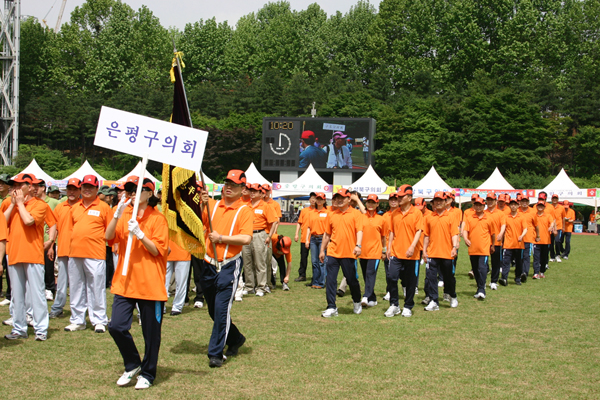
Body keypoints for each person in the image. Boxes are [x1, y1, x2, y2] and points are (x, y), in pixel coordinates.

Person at [106, 176, 168, 389]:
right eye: (129, 189)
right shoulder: (124, 215)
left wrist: (140, 234)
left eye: (138, 189)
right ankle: (133, 363)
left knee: (151, 334)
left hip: (150, 284)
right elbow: (108, 236)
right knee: (116, 326)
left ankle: (148, 373)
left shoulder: (158, 219)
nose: (132, 192)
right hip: (125, 281)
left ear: (149, 193)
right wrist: (116, 215)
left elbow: (157, 250)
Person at [199, 169, 252, 368]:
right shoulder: (212, 205)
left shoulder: (244, 210)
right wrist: (202, 202)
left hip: (229, 265)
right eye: (227, 183)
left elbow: (246, 238)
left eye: (234, 185)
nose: (229, 187)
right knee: (213, 311)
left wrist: (221, 238)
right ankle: (236, 338)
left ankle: (215, 353)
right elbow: (200, 222)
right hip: (208, 263)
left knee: (221, 311)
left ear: (242, 189)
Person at [3, 173, 48, 341]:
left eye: (19, 185)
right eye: (13, 185)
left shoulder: (39, 204)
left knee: (36, 294)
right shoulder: (9, 203)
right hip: (14, 253)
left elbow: (29, 221)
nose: (15, 188)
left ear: (30, 187)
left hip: (32, 255)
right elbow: (3, 222)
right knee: (17, 295)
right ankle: (18, 327)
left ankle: (41, 328)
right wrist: (13, 205)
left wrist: (20, 204)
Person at [65, 175, 111, 333]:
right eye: (84, 186)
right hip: (75, 253)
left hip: (95, 253)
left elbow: (111, 230)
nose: (87, 189)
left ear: (97, 189)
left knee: (96, 287)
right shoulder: (75, 207)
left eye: (90, 187)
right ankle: (77, 319)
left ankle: (99, 319)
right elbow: (72, 229)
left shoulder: (104, 207)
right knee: (76, 287)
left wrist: (115, 245)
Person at [319, 188, 363, 317]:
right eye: (337, 197)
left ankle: (356, 301)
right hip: (333, 252)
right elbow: (327, 234)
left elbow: (359, 230)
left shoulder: (356, 214)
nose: (339, 200)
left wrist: (358, 245)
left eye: (342, 198)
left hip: (349, 252)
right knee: (331, 280)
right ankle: (331, 306)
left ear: (349, 199)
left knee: (351, 279)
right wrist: (322, 250)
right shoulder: (332, 214)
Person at [385, 186, 422, 317]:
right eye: (398, 196)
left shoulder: (417, 213)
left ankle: (408, 306)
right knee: (391, 277)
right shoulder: (394, 213)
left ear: (410, 198)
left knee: (410, 281)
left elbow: (419, 231)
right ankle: (394, 304)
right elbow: (391, 232)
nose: (399, 198)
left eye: (402, 196)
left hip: (411, 254)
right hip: (396, 252)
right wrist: (388, 247)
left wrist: (412, 246)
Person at [49, 178, 81, 319]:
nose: (72, 192)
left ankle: (78, 309)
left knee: (78, 283)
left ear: (79, 190)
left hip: (79, 251)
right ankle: (57, 308)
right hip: (62, 249)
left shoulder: (83, 206)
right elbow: (53, 228)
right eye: (69, 189)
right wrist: (51, 245)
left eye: (75, 189)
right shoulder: (60, 207)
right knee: (61, 282)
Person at [422, 192, 459, 311]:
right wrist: (424, 250)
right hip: (432, 252)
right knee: (431, 277)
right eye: (436, 200)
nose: (438, 203)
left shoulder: (451, 216)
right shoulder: (429, 217)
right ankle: (434, 300)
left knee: (448, 277)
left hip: (447, 252)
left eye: (441, 200)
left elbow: (454, 233)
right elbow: (426, 235)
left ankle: (452, 295)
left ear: (446, 202)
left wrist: (454, 247)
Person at [241, 183, 277, 297]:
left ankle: (261, 287)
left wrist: (269, 236)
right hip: (247, 234)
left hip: (259, 234)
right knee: (247, 261)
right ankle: (249, 286)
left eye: (255, 191)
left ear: (261, 194)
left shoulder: (265, 206)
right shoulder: (246, 205)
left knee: (260, 262)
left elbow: (273, 222)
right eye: (251, 190)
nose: (252, 193)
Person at [462, 196, 496, 299]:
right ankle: (479, 287)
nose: (478, 207)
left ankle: (482, 289)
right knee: (475, 269)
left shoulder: (489, 218)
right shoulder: (470, 217)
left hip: (484, 248)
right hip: (473, 248)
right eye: (476, 205)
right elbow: (465, 230)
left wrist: (493, 245)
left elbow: (493, 233)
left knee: (482, 268)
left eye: (480, 205)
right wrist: (465, 238)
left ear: (484, 206)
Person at [359, 194, 387, 309]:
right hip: (362, 252)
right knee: (366, 275)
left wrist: (384, 250)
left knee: (370, 273)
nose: (370, 204)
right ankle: (373, 298)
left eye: (373, 202)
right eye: (368, 202)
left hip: (375, 252)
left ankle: (366, 296)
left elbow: (384, 236)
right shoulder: (361, 217)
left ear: (377, 204)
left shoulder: (381, 219)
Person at [500, 198, 527, 286]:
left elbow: (525, 229)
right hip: (508, 244)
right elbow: (503, 227)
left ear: (518, 205)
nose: (513, 206)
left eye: (515, 204)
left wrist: (522, 236)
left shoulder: (522, 217)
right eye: (511, 204)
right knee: (506, 262)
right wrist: (501, 234)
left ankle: (518, 278)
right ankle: (504, 278)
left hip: (519, 244)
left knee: (519, 262)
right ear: (509, 206)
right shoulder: (506, 216)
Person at [305, 192, 330, 289]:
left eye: (321, 199)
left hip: (322, 238)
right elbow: (308, 227)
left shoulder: (327, 213)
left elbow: (328, 229)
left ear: (324, 201)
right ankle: (315, 281)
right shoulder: (311, 213)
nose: (319, 201)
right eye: (317, 199)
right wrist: (307, 240)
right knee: (314, 261)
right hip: (313, 238)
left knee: (321, 261)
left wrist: (327, 241)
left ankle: (321, 282)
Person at [485, 193, 506, 290]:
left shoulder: (500, 213)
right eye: (488, 199)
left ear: (495, 201)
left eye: (492, 200)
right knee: (483, 263)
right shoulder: (484, 213)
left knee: (496, 262)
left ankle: (494, 281)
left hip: (496, 241)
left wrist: (501, 234)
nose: (490, 202)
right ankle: (482, 281)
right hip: (485, 241)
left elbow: (503, 225)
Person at [381, 192, 400, 302]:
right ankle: (390, 291)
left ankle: (405, 288)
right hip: (388, 247)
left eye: (395, 200)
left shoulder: (400, 214)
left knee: (402, 271)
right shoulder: (385, 216)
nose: (393, 201)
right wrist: (384, 250)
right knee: (389, 271)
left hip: (399, 246)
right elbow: (383, 235)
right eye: (391, 199)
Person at [165, 239, 191, 316]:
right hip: (166, 247)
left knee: (181, 280)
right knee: (162, 281)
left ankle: (177, 306)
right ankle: (160, 305)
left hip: (183, 249)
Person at [294, 193, 316, 282]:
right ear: (309, 199)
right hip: (304, 237)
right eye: (311, 198)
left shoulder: (319, 211)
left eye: (314, 198)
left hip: (315, 238)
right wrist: (296, 234)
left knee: (316, 259)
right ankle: (302, 275)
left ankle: (316, 276)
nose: (313, 200)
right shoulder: (304, 211)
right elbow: (299, 222)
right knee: (303, 257)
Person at [532, 200, 555, 279]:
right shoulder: (534, 215)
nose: (540, 207)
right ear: (536, 207)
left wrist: (551, 227)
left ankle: (542, 272)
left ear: (544, 207)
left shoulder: (548, 216)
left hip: (546, 240)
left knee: (544, 257)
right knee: (536, 257)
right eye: (539, 206)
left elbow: (552, 222)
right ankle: (535, 272)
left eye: (542, 206)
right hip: (536, 240)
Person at [518, 194, 536, 282]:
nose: (524, 203)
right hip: (518, 238)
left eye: (526, 201)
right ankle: (520, 272)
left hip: (528, 237)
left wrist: (537, 235)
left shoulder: (533, 211)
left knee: (526, 256)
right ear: (520, 202)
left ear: (528, 202)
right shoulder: (517, 211)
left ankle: (524, 272)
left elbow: (536, 224)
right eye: (523, 201)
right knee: (519, 256)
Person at [0, 173, 10, 304]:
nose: (0, 185)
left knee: (8, 267)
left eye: (3, 183)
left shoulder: (10, 200)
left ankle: (9, 294)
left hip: (8, 236)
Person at [550, 194, 566, 262]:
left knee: (557, 241)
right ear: (551, 199)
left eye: (556, 198)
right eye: (553, 198)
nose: (554, 199)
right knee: (551, 242)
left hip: (559, 227)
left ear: (558, 199)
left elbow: (563, 218)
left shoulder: (561, 207)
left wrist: (563, 227)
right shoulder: (549, 207)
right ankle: (552, 256)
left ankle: (557, 255)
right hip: (551, 227)